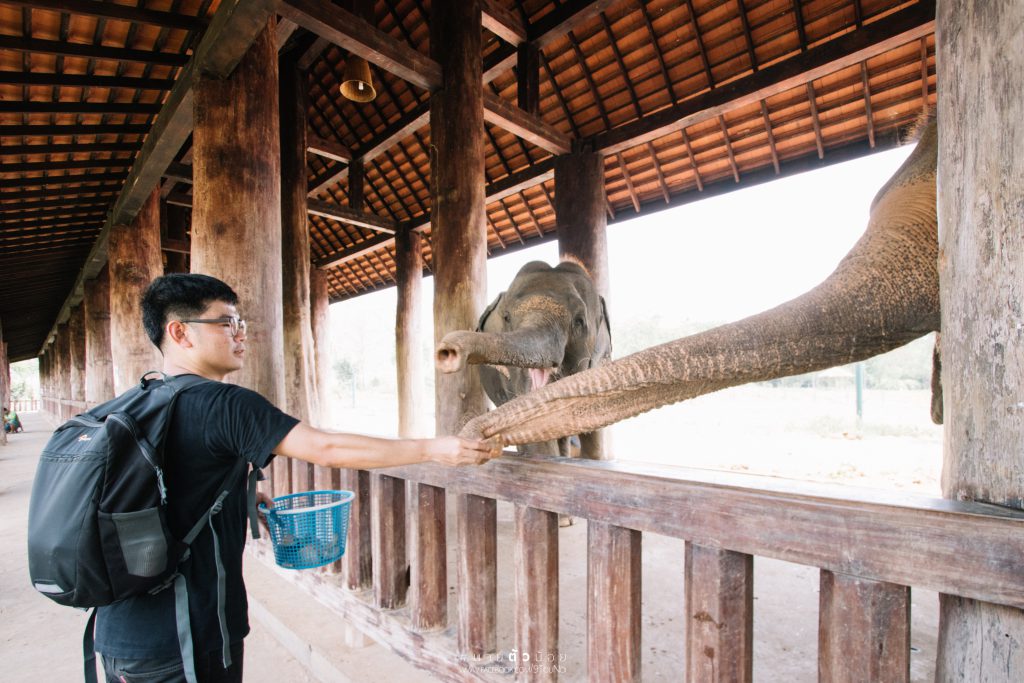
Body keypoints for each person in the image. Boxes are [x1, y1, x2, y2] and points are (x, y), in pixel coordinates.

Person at [94, 273, 500, 683]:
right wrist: (433, 449)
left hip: (118, 631)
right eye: (226, 323)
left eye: (242, 325)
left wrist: (236, 500)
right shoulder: (225, 404)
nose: (240, 335)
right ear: (180, 332)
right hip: (185, 638)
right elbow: (326, 448)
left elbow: (158, 490)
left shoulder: (135, 400)